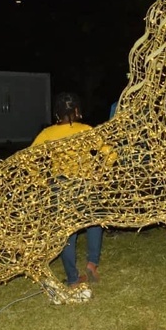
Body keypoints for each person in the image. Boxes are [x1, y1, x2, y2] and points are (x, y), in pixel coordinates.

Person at [31, 92, 103, 288]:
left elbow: (29, 160)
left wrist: (42, 181)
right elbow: (109, 153)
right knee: (94, 223)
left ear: (57, 113)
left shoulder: (47, 133)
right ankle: (92, 263)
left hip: (61, 187)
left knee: (67, 232)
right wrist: (98, 172)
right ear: (77, 110)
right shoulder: (86, 130)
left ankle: (72, 278)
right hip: (85, 185)